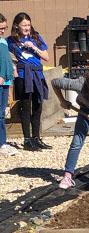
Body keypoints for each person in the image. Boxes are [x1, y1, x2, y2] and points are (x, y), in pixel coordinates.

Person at [7, 12, 52, 151]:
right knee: (25, 107)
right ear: (17, 26)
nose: (27, 27)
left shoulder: (36, 37)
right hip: (22, 75)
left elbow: (46, 57)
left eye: (28, 24)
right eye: (23, 25)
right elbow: (8, 58)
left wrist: (34, 48)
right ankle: (27, 140)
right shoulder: (11, 41)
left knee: (38, 106)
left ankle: (36, 138)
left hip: (37, 74)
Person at [0, 13, 18, 156]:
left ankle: (3, 143)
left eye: (4, 28)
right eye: (0, 28)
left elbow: (6, 60)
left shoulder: (3, 42)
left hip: (5, 82)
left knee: (1, 114)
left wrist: (12, 70)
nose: (2, 31)